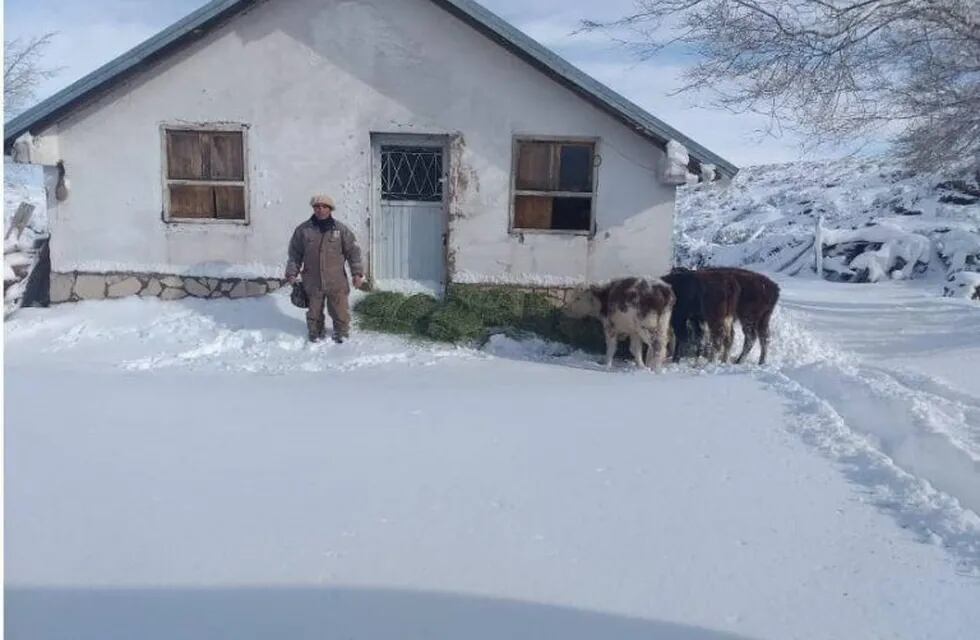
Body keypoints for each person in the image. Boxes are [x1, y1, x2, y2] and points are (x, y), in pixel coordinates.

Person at [286, 194, 365, 343]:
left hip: (336, 280)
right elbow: (295, 254)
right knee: (314, 312)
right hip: (312, 280)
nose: (320, 210)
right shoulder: (303, 230)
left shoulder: (341, 230)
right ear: (313, 208)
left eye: (324, 207)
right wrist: (291, 273)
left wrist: (357, 273)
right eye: (317, 207)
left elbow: (353, 252)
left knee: (340, 310)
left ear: (330, 209)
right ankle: (315, 333)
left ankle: (341, 333)